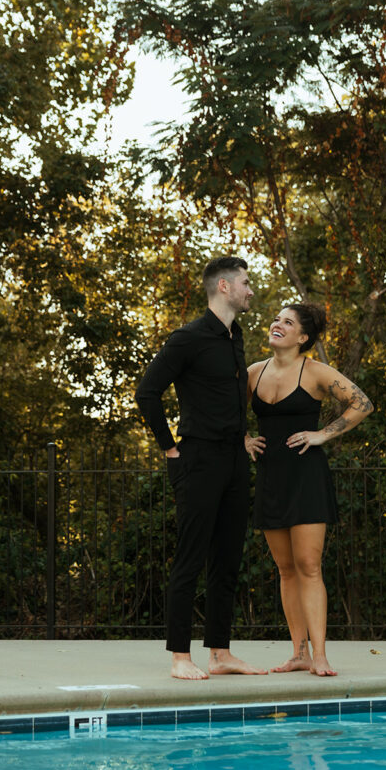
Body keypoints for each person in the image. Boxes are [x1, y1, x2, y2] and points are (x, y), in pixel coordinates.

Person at [136, 256, 267, 681]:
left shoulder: (235, 336)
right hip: (197, 459)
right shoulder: (188, 338)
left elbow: (228, 399)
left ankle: (220, 653)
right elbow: (147, 392)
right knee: (190, 560)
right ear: (224, 287)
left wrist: (242, 437)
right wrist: (169, 449)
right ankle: (179, 656)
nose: (250, 289)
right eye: (245, 283)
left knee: (227, 560)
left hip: (233, 459)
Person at [245, 303, 373, 676]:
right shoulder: (253, 373)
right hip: (271, 479)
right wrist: (244, 439)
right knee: (285, 570)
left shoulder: (315, 371)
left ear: (303, 337)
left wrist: (322, 434)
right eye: (276, 319)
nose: (277, 324)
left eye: (287, 322)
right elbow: (224, 410)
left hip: (307, 478)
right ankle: (298, 652)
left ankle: (319, 655)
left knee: (308, 567)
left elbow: (361, 403)